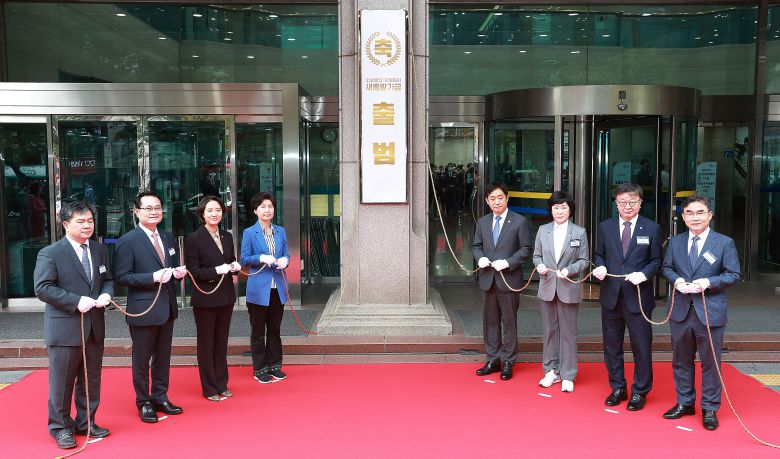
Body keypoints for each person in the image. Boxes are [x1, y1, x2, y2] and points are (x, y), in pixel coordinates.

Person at [33, 201, 113, 449]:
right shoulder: (51, 252)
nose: (87, 225)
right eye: (81, 221)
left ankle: (86, 421)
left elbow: (107, 278)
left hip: (94, 326)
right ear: (66, 224)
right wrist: (76, 301)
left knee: (91, 379)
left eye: (90, 220)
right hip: (66, 327)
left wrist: (107, 295)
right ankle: (60, 427)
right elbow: (43, 288)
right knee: (63, 381)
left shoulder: (100, 250)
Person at [660, 195, 741, 431]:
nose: (695, 217)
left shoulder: (724, 242)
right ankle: (685, 402)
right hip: (681, 310)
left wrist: (709, 281)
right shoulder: (675, 242)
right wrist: (677, 281)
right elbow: (666, 268)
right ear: (683, 217)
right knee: (681, 360)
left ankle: (709, 408)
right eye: (689, 213)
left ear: (710, 215)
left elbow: (733, 274)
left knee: (710, 363)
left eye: (700, 212)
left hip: (710, 310)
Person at [114, 191, 187, 423]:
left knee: (163, 357)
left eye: (157, 207)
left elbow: (171, 268)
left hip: (167, 307)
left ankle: (160, 396)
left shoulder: (167, 237)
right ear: (136, 212)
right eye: (148, 208)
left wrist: (177, 273)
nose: (154, 211)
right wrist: (153, 277)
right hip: (143, 309)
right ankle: (143, 401)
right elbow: (122, 277)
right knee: (142, 358)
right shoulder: (128, 240)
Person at [593, 182, 662, 411]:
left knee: (641, 346)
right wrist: (600, 267)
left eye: (633, 202)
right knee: (611, 345)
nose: (628, 206)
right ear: (616, 203)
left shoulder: (651, 228)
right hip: (611, 295)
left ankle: (640, 391)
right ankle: (618, 387)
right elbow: (599, 254)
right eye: (622, 202)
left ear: (641, 203)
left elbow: (656, 261)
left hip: (638, 297)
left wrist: (644, 274)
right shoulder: (605, 226)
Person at [472, 182, 532, 380]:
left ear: (507, 198)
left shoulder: (519, 221)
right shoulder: (482, 222)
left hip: (509, 279)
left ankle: (508, 361)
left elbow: (525, 249)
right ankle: (492, 359)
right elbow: (476, 246)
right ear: (487, 201)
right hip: (488, 278)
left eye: (500, 197)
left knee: (509, 322)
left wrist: (508, 262)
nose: (496, 202)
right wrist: (479, 256)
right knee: (490, 321)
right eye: (492, 199)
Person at [184, 196, 242, 401]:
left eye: (217, 210)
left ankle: (222, 383)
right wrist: (217, 270)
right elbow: (194, 271)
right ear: (202, 214)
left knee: (221, 342)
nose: (214, 214)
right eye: (210, 210)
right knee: (206, 343)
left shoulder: (226, 236)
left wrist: (235, 266)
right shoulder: (194, 239)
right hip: (206, 299)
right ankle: (209, 387)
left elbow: (230, 260)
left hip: (225, 296)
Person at [532, 191, 590, 392]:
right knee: (549, 331)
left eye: (563, 207)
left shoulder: (579, 232)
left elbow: (584, 261)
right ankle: (550, 371)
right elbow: (536, 256)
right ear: (550, 209)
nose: (559, 211)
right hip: (547, 287)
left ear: (570, 210)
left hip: (568, 287)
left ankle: (568, 374)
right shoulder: (543, 230)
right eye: (556, 207)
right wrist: (539, 265)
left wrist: (569, 270)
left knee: (568, 333)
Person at [241, 192, 290, 384]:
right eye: (262, 207)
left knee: (275, 330)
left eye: (270, 206)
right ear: (255, 210)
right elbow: (244, 259)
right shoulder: (249, 233)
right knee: (258, 331)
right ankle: (260, 368)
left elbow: (286, 253)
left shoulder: (280, 231)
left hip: (277, 287)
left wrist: (285, 260)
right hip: (258, 289)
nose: (267, 210)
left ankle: (275, 365)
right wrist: (261, 258)